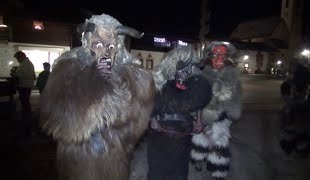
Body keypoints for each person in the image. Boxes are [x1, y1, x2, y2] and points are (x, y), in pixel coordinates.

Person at [39, 14, 155, 180]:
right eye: (98, 45)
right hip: (76, 162)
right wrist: (96, 83)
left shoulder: (128, 79)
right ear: (87, 45)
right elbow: (57, 117)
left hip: (113, 162)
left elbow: (134, 127)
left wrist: (119, 93)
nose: (106, 53)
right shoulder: (67, 72)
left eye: (112, 47)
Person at [147, 46, 212, 180]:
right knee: (157, 170)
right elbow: (149, 100)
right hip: (161, 132)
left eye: (189, 68)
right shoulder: (160, 80)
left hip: (183, 132)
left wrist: (199, 120)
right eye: (182, 67)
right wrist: (153, 118)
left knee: (180, 170)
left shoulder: (194, 82)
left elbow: (198, 101)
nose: (185, 72)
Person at [190, 41, 242, 180]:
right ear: (210, 56)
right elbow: (195, 96)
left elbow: (236, 98)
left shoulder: (232, 76)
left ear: (227, 57)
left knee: (219, 144)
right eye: (216, 54)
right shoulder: (201, 74)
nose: (219, 58)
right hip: (202, 114)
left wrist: (231, 111)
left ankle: (217, 170)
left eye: (223, 55)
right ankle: (199, 158)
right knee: (200, 139)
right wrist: (196, 115)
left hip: (222, 116)